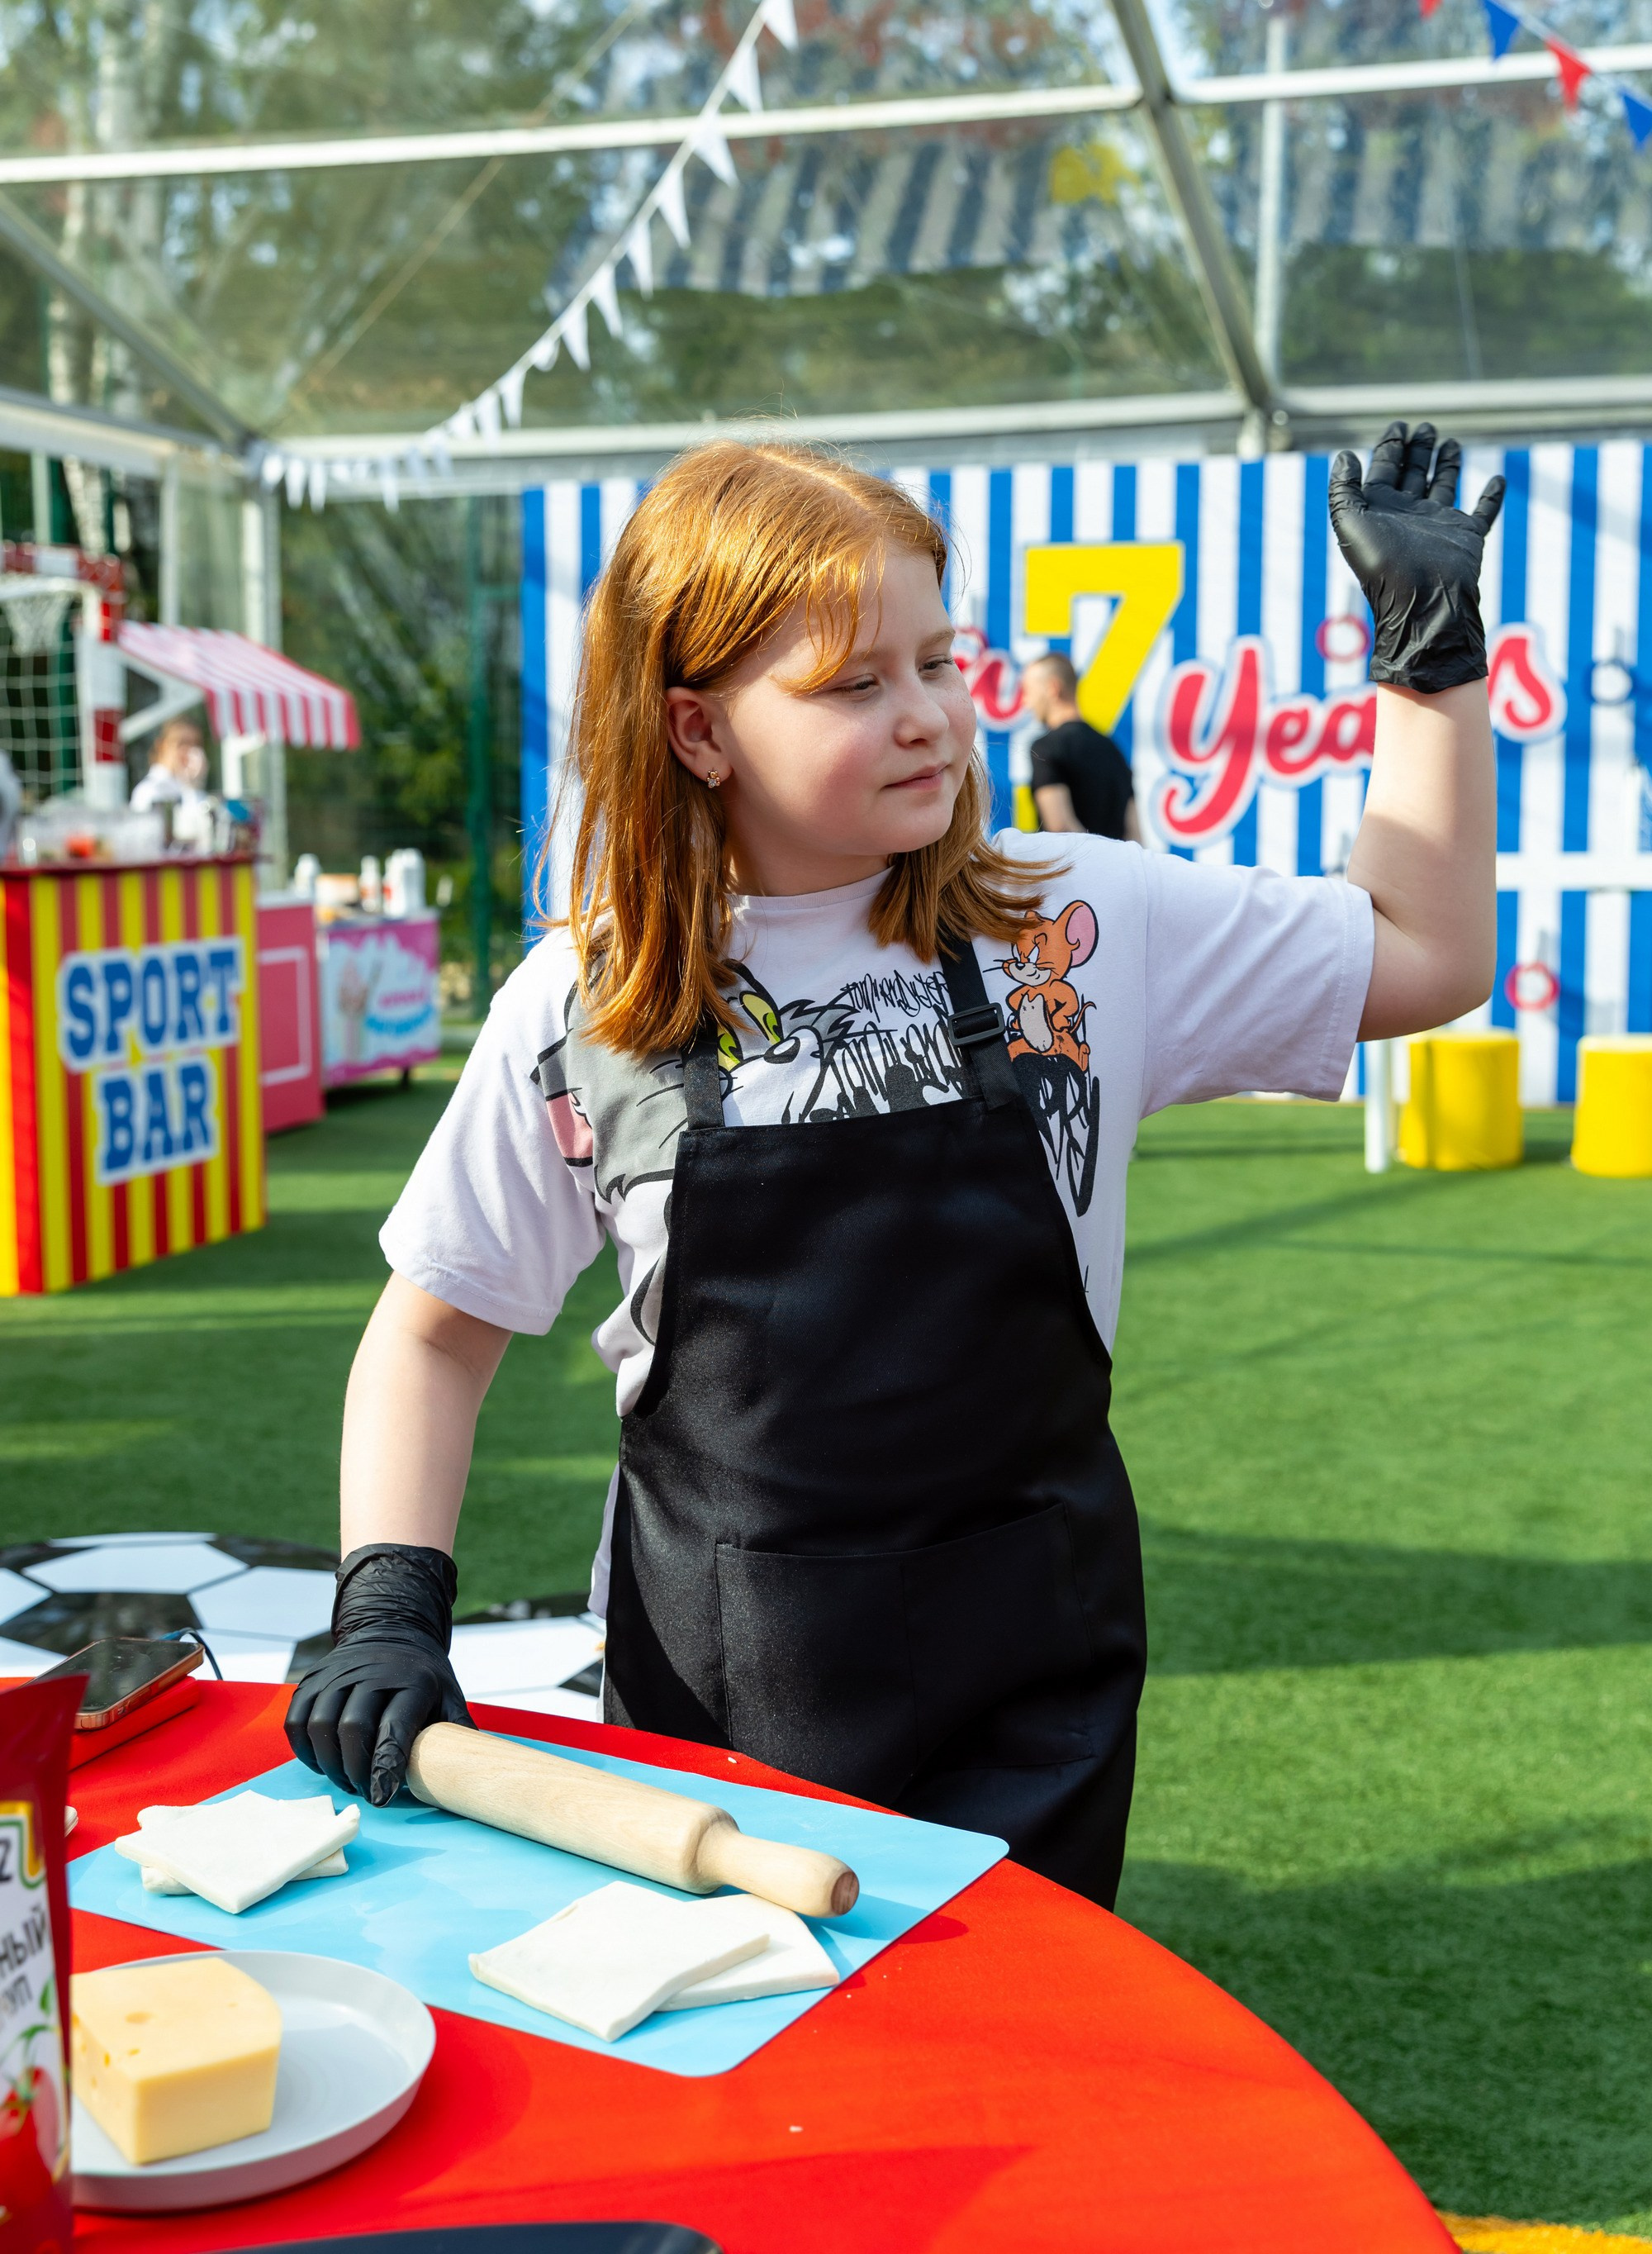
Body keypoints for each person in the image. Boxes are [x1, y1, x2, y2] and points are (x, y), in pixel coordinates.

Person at [287, 423, 1501, 1909]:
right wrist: (388, 1606)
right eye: (857, 684)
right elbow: (432, 1331)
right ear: (697, 729)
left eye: (941, 661)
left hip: (1036, 1680)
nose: (929, 715)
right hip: (722, 1702)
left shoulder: (1077, 922)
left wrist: (1431, 665)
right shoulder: (588, 1004)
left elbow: (1429, 957)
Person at [1023, 652, 1141, 840]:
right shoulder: (1113, 750)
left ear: (1053, 688)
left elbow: (1060, 827)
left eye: (1028, 691)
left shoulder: (1046, 747)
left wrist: (1096, 866)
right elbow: (1135, 834)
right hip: (1118, 867)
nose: (1026, 702)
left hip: (1073, 868)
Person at [130, 716, 210, 814]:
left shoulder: (190, 787)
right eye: (182, 743)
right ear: (162, 746)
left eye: (196, 744)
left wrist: (194, 787)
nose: (190, 751)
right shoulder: (149, 791)